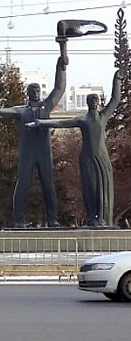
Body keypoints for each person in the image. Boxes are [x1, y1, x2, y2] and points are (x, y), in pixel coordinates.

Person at [0, 45, 68, 228]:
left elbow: (60, 88)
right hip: (27, 154)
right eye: (32, 90)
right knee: (22, 185)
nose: (35, 92)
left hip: (44, 153)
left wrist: (61, 66)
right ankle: (19, 220)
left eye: (37, 90)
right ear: (27, 93)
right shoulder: (21, 111)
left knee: (48, 186)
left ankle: (52, 219)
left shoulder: (46, 107)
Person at [26, 69, 125, 227]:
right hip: (86, 158)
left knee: (103, 187)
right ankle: (93, 217)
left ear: (98, 102)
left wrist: (117, 80)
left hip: (101, 158)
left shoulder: (103, 116)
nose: (94, 102)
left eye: (96, 100)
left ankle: (104, 218)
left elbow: (115, 99)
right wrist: (41, 122)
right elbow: (61, 123)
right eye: (91, 100)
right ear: (87, 103)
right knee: (89, 188)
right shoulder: (82, 119)